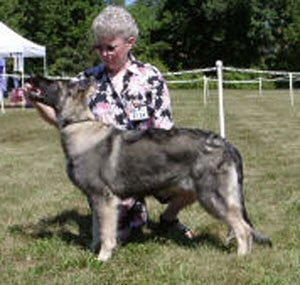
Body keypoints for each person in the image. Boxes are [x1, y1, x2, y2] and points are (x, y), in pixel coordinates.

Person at [25, 5, 194, 243]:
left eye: (110, 47)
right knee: (119, 233)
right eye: (99, 47)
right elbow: (62, 121)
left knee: (194, 180)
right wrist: (35, 101)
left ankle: (169, 218)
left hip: (150, 163)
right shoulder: (84, 82)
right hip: (112, 174)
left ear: (130, 42)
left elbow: (165, 131)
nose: (104, 54)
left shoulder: (151, 77)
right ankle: (134, 213)